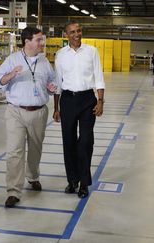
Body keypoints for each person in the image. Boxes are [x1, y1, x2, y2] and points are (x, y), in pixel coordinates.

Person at [0, 27, 57, 208]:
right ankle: (13, 191)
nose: (42, 43)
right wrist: (11, 75)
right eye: (38, 40)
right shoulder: (12, 59)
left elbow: (53, 81)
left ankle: (33, 176)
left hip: (39, 112)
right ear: (27, 41)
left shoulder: (44, 61)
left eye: (42, 39)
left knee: (35, 149)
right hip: (16, 112)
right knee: (14, 151)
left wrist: (51, 87)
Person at [53, 21, 105, 199]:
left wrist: (100, 101)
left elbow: (99, 76)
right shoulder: (60, 55)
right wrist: (56, 108)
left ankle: (84, 182)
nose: (77, 34)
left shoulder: (92, 51)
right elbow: (58, 83)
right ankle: (72, 180)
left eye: (79, 31)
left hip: (87, 100)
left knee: (85, 142)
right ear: (66, 34)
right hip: (67, 100)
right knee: (68, 141)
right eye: (73, 32)